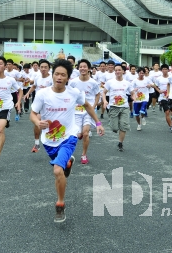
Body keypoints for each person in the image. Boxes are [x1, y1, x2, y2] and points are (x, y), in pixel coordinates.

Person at [30, 59, 104, 222]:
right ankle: (68, 162)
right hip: (49, 140)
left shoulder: (73, 93)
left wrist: (98, 123)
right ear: (52, 75)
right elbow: (33, 113)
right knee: (61, 169)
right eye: (56, 74)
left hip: (68, 137)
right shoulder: (43, 94)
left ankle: (60, 204)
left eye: (63, 75)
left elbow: (88, 106)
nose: (59, 77)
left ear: (68, 78)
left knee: (57, 170)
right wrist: (37, 122)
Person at [68, 59, 100, 164]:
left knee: (86, 133)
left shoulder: (93, 83)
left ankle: (84, 155)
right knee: (77, 135)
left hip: (88, 111)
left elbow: (97, 94)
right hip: (76, 112)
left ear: (89, 69)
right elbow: (68, 95)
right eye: (81, 66)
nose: (82, 68)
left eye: (85, 66)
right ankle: (68, 153)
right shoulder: (73, 82)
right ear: (78, 68)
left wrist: (94, 106)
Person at [24, 59, 52, 152]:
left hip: (51, 105)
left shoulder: (52, 78)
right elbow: (34, 86)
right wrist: (28, 93)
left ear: (49, 68)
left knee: (51, 123)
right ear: (39, 68)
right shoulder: (37, 77)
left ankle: (54, 142)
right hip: (39, 104)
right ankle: (36, 144)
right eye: (42, 67)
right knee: (37, 122)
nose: (43, 69)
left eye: (45, 67)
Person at [102, 64, 132, 151]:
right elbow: (104, 92)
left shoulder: (127, 83)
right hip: (113, 107)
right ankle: (112, 123)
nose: (117, 72)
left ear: (123, 71)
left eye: (119, 70)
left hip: (124, 107)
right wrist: (104, 101)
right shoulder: (110, 82)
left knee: (123, 126)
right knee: (115, 128)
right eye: (116, 70)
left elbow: (132, 92)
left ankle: (120, 143)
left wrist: (133, 95)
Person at [154, 64, 172, 132]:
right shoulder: (159, 79)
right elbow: (155, 86)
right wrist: (159, 90)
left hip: (171, 97)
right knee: (167, 112)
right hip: (163, 97)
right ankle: (171, 126)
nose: (164, 70)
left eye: (166, 69)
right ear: (161, 70)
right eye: (163, 69)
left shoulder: (171, 77)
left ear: (168, 70)